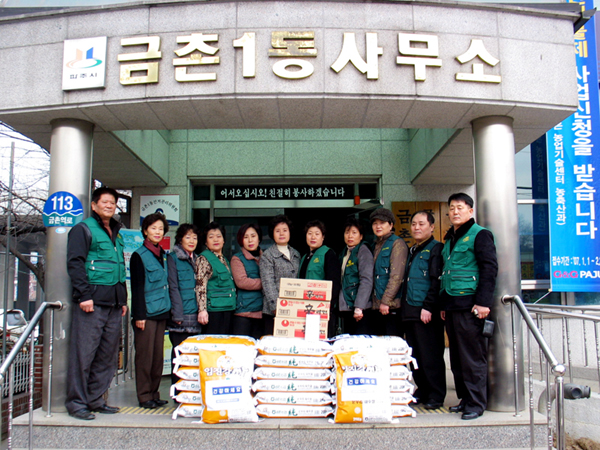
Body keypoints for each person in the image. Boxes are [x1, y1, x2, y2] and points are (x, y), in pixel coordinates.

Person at [65, 187, 127, 420]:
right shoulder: (83, 229)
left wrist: (123, 300)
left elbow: (119, 267)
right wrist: (84, 295)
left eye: (113, 203)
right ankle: (76, 403)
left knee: (107, 355)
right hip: (92, 303)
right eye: (105, 202)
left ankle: (95, 399)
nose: (109, 206)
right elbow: (75, 263)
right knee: (84, 355)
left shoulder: (116, 233)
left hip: (114, 304)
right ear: (94, 205)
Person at [440, 193, 498, 420]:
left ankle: (476, 403)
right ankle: (465, 399)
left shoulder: (480, 234)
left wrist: (483, 302)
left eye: (460, 207)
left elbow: (489, 268)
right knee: (457, 358)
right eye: (452, 208)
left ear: (470, 211)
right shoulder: (451, 237)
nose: (455, 212)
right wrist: (444, 304)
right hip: (452, 304)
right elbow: (447, 273)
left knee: (472, 356)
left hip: (470, 305)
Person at [401, 211, 446, 410]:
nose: (416, 227)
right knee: (416, 355)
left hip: (426, 312)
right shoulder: (413, 250)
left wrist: (428, 307)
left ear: (431, 227)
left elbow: (436, 281)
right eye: (413, 224)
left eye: (421, 224)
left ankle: (436, 394)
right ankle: (423, 389)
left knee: (430, 354)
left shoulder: (436, 249)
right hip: (410, 311)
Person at [130, 212, 171, 409]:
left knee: (157, 358)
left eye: (161, 229)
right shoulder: (139, 255)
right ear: (145, 231)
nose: (157, 232)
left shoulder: (163, 255)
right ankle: (144, 396)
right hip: (146, 314)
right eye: (153, 228)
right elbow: (137, 288)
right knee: (145, 357)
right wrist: (139, 315)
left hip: (161, 311)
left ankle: (154, 393)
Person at [167, 223, 202, 390]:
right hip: (181, 315)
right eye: (188, 237)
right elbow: (173, 287)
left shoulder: (199, 259)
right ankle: (178, 390)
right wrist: (177, 314)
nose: (192, 241)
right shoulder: (173, 258)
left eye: (194, 237)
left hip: (196, 314)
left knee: (194, 356)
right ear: (180, 239)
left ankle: (191, 391)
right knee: (179, 355)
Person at [299, 220, 342, 337]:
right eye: (310, 233)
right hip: (305, 308)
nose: (313, 237)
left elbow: (334, 282)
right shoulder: (304, 257)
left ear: (323, 237)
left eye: (317, 234)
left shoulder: (328, 254)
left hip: (322, 309)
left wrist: (329, 307)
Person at [259, 215, 301, 335]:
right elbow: (268, 283)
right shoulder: (268, 255)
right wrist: (277, 308)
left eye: (285, 230)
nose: (281, 234)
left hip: (294, 308)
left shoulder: (296, 254)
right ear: (272, 234)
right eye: (277, 231)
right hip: (274, 312)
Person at [370, 208, 408, 336]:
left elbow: (397, 276)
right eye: (375, 223)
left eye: (382, 223)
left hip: (391, 306)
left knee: (392, 343)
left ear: (391, 225)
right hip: (377, 305)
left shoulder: (397, 244)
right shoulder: (375, 245)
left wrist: (386, 301)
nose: (378, 226)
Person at [195, 222, 236, 335]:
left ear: (224, 240)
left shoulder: (224, 259)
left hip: (228, 308)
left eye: (219, 236)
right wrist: (202, 310)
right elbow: (200, 286)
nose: (215, 240)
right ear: (206, 242)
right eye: (211, 237)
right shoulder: (203, 259)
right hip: (214, 311)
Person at [338, 218, 373, 335]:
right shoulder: (344, 253)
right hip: (349, 307)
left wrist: (359, 307)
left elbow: (366, 280)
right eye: (347, 232)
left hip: (360, 310)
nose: (350, 236)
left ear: (361, 236)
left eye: (354, 233)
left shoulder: (363, 251)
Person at [231, 223, 264, 339]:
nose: (250, 240)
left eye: (253, 236)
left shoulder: (266, 257)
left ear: (259, 238)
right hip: (244, 313)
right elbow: (242, 281)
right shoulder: (237, 258)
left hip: (262, 313)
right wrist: (267, 282)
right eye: (246, 237)